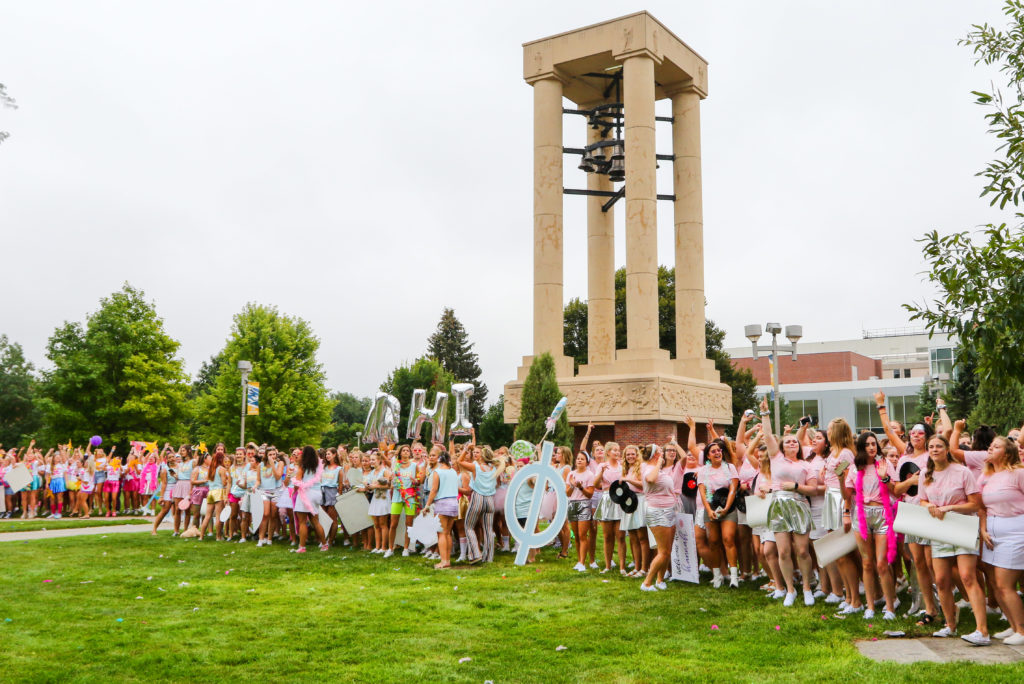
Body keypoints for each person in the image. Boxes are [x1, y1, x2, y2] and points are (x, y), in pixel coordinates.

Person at [919, 435, 989, 644]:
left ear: (947, 449)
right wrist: (928, 506)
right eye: (931, 447)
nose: (934, 449)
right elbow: (923, 499)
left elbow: (975, 504)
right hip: (939, 529)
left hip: (962, 526)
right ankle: (950, 624)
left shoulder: (962, 472)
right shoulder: (925, 474)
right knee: (940, 579)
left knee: (968, 576)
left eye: (939, 446)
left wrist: (950, 507)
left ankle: (982, 630)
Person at [758, 397, 817, 607]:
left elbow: (813, 488)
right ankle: (789, 589)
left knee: (802, 550)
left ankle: (807, 587)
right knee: (782, 551)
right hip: (779, 506)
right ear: (782, 446)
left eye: (795, 441)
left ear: (799, 446)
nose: (792, 442)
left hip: (799, 504)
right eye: (788, 441)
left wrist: (797, 487)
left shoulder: (806, 465)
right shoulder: (776, 458)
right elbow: (767, 435)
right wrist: (765, 414)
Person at [844, 431, 899, 620]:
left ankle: (890, 606)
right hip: (861, 514)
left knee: (882, 563)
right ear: (861, 447)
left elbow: (896, 490)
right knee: (867, 563)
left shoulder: (885, 464)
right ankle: (870, 606)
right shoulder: (854, 468)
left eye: (873, 443)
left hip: (882, 513)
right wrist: (838, 478)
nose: (871, 447)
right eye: (867, 444)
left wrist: (884, 477)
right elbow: (848, 495)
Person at [978, 436, 1024, 645]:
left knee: (1006, 584)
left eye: (996, 446)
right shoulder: (986, 476)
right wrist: (983, 528)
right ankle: (1013, 625)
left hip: (1015, 531)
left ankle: (1022, 630)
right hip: (992, 533)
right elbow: (981, 507)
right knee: (995, 583)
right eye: (990, 445)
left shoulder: (1018, 474)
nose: (990, 448)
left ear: (1006, 453)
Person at [697, 439, 740, 588]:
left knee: (728, 539)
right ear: (708, 456)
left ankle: (734, 576)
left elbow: (733, 489)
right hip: (710, 508)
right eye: (713, 451)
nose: (717, 453)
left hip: (727, 508)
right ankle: (717, 576)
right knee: (713, 541)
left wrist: (727, 508)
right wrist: (708, 510)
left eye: (719, 450)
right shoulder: (703, 470)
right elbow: (702, 492)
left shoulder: (730, 467)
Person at [640, 444, 677, 592]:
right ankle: (647, 583)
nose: (663, 453)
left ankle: (660, 580)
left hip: (669, 510)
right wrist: (659, 463)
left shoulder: (657, 468)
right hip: (657, 511)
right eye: (661, 452)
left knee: (667, 550)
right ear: (655, 455)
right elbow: (650, 479)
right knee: (663, 551)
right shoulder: (648, 469)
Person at [459, 444, 499, 564]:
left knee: (469, 526)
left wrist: (466, 449)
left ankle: (476, 554)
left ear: (482, 455)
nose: (474, 454)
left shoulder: (475, 467)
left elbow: (459, 461)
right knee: (488, 529)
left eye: (477, 452)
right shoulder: (494, 468)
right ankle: (489, 557)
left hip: (478, 498)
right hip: (490, 500)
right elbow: (496, 484)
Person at [594, 441, 626, 574]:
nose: (617, 452)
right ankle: (608, 565)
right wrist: (601, 473)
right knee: (607, 536)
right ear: (608, 452)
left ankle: (622, 567)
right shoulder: (602, 465)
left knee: (621, 535)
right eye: (614, 450)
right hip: (607, 498)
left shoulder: (622, 466)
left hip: (620, 500)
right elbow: (596, 484)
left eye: (618, 450)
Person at [423, 449, 459, 569]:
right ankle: (447, 559)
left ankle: (443, 561)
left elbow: (433, 490)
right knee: (448, 533)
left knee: (441, 534)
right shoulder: (453, 471)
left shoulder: (437, 472)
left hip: (442, 503)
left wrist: (427, 505)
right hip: (454, 502)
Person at [620, 444, 650, 578]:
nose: (630, 456)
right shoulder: (626, 469)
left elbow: (644, 485)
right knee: (632, 537)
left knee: (642, 537)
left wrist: (628, 480)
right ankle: (637, 567)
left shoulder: (642, 467)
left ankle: (645, 568)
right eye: (628, 455)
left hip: (641, 501)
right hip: (629, 502)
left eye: (633, 454)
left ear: (637, 455)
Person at [292, 445, 327, 553]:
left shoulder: (303, 466)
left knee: (302, 522)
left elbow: (297, 481)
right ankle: (324, 544)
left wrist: (294, 491)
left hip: (305, 494)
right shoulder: (319, 465)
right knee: (315, 521)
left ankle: (302, 546)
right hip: (316, 493)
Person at [387, 444, 420, 558]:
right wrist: (390, 479)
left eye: (407, 451)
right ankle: (390, 548)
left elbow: (418, 481)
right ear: (400, 453)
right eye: (404, 451)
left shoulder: (414, 466)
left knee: (409, 524)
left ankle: (406, 548)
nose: (406, 452)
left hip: (410, 497)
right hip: (397, 495)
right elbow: (391, 482)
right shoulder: (396, 465)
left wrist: (415, 481)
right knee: (393, 523)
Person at [566, 451, 595, 572]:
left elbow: (590, 494)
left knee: (583, 535)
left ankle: (583, 562)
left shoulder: (589, 475)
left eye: (582, 459)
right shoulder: (571, 474)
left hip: (584, 504)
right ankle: (579, 560)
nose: (579, 461)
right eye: (578, 458)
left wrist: (580, 487)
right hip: (572, 504)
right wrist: (572, 485)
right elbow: (567, 493)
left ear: (587, 462)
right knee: (576, 535)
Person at [366, 452, 392, 553]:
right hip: (375, 498)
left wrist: (376, 486)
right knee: (376, 524)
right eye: (370, 460)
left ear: (379, 460)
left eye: (373, 460)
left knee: (383, 523)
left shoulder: (385, 471)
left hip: (383, 498)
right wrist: (368, 487)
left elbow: (389, 485)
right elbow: (371, 485)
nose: (371, 462)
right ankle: (377, 546)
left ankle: (384, 547)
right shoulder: (372, 473)